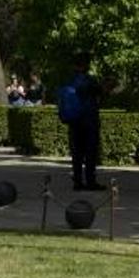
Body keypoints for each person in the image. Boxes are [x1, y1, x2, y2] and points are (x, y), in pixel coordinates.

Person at [62, 53, 103, 191]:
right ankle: (90, 181)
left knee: (77, 154)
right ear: (85, 66)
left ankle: (78, 182)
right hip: (89, 120)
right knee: (90, 152)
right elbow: (100, 92)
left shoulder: (69, 80)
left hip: (74, 121)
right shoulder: (90, 80)